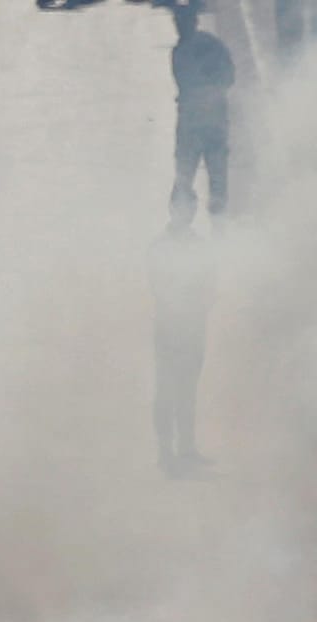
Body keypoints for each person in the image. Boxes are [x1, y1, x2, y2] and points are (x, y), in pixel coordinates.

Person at [149, 199, 216, 476]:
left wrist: (201, 307)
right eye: (182, 206)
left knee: (188, 389)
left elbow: (210, 280)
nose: (187, 212)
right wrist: (178, 309)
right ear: (171, 208)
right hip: (169, 326)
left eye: (192, 207)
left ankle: (186, 450)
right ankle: (166, 454)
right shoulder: (160, 246)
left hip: (194, 326)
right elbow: (158, 286)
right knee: (166, 388)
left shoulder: (199, 245)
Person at [170, 4, 234, 220]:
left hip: (192, 123)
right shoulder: (212, 45)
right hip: (214, 120)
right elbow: (229, 77)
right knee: (216, 176)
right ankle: (219, 222)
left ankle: (181, 222)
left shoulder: (180, 52)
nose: (179, 27)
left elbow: (185, 87)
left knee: (184, 175)